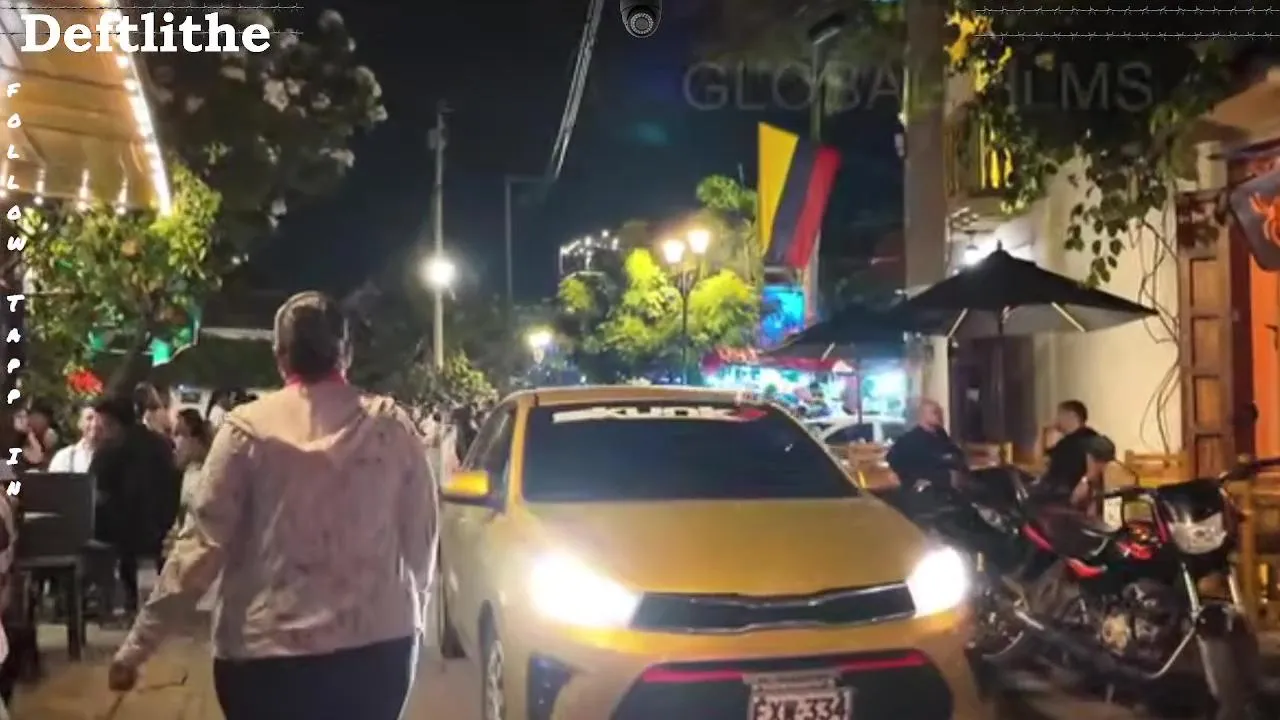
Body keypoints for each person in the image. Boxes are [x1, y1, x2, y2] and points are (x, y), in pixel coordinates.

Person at [108, 291, 436, 720]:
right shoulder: (390, 427)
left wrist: (137, 648)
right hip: (376, 655)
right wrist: (416, 615)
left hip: (264, 661)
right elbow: (422, 538)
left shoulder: (245, 432)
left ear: (280, 355)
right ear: (347, 354)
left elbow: (199, 550)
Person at [90, 395, 181, 617]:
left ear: (111, 422)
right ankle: (148, 607)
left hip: (120, 530)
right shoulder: (162, 444)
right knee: (147, 565)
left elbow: (93, 491)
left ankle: (118, 603)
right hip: (159, 524)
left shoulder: (109, 450)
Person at [885, 398, 964, 491]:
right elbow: (893, 458)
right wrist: (910, 479)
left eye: (941, 412)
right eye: (935, 412)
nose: (940, 416)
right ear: (923, 415)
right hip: (926, 486)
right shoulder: (911, 439)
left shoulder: (940, 433)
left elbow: (954, 452)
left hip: (947, 482)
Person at [1040, 400, 1100, 499]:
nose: (1057, 419)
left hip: (1064, 493)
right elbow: (1040, 460)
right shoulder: (1065, 442)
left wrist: (1085, 481)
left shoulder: (1088, 436)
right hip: (1051, 488)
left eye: (1060, 415)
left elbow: (1095, 466)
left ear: (1071, 416)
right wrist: (1043, 431)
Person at [48, 405, 99, 473]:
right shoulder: (64, 457)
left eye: (99, 419)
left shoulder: (113, 458)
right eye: (89, 418)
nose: (94, 424)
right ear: (80, 423)